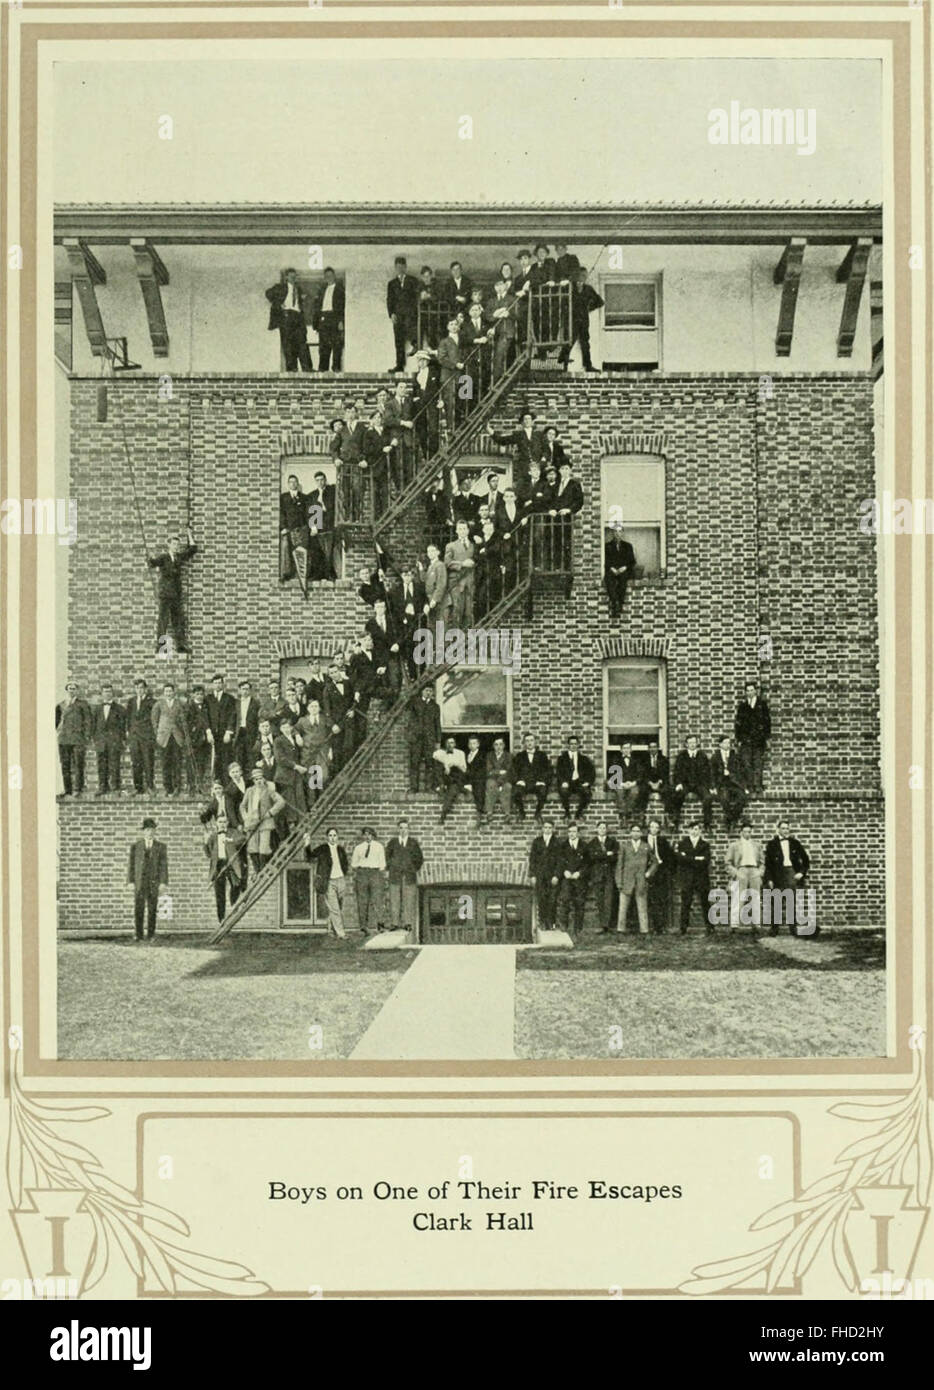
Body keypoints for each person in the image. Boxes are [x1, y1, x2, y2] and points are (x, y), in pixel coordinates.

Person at [148, 528, 197, 655]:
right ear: (169, 544)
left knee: (178, 620)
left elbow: (192, 550)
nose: (176, 546)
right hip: (165, 594)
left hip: (176, 594)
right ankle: (161, 647)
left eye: (177, 544)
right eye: (174, 544)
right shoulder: (164, 558)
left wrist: (189, 535)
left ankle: (181, 645)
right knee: (163, 620)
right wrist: (151, 559)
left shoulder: (179, 557)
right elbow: (153, 563)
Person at [201, 781, 242, 921]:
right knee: (219, 893)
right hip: (218, 865)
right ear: (217, 824)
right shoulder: (213, 837)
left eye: (224, 822)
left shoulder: (232, 833)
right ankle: (221, 918)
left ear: (227, 823)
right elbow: (208, 854)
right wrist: (205, 843)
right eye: (220, 822)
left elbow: (242, 839)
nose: (223, 824)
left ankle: (233, 899)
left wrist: (231, 841)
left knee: (236, 884)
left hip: (230, 864)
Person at [764, 819, 812, 937]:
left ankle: (793, 928)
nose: (785, 831)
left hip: (791, 872)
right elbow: (768, 864)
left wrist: (801, 872)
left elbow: (805, 859)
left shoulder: (795, 843)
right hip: (777, 874)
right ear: (778, 830)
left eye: (787, 828)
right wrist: (769, 879)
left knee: (791, 900)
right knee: (776, 901)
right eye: (783, 828)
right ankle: (774, 928)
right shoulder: (772, 844)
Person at [127, 817, 168, 942]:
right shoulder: (136, 846)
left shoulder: (160, 847)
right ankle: (138, 934)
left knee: (152, 908)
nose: (150, 832)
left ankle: (151, 934)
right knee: (138, 908)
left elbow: (163, 866)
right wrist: (130, 882)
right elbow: (131, 865)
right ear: (143, 831)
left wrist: (163, 882)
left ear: (155, 831)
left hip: (153, 882)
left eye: (152, 829)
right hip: (140, 882)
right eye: (147, 830)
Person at [266, 267, 312, 372]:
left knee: (301, 341)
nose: (293, 278)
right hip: (286, 315)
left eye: (294, 276)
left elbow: (300, 303)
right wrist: (278, 304)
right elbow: (268, 293)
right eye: (291, 276)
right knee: (288, 342)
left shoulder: (298, 289)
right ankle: (292, 368)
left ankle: (307, 367)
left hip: (297, 316)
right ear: (286, 277)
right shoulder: (280, 287)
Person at [308, 827, 349, 939]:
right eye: (330, 835)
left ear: (337, 837)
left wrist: (343, 873)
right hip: (329, 881)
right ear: (327, 837)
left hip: (340, 880)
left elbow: (345, 863)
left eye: (334, 835)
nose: (332, 838)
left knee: (337, 907)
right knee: (335, 908)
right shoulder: (323, 849)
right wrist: (306, 844)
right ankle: (341, 933)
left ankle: (330, 929)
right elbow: (310, 857)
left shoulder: (340, 849)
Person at [331, 404, 368, 524]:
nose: (350, 414)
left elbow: (366, 445)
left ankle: (357, 516)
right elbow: (333, 447)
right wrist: (336, 458)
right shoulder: (342, 429)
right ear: (345, 414)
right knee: (345, 490)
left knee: (357, 489)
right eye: (348, 412)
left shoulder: (362, 427)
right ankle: (347, 516)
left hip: (357, 464)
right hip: (345, 464)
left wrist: (364, 459)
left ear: (356, 413)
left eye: (352, 412)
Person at [725, 821, 765, 931]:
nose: (747, 833)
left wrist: (760, 872)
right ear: (741, 832)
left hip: (754, 871)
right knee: (738, 897)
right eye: (745, 831)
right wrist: (735, 872)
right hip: (741, 870)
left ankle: (756, 924)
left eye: (749, 831)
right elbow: (728, 862)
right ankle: (734, 924)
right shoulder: (734, 845)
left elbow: (762, 862)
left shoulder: (757, 845)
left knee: (755, 898)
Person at [385, 818, 423, 933]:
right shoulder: (393, 843)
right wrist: (392, 866)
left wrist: (412, 868)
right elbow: (386, 857)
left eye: (405, 828)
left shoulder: (413, 843)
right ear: (398, 829)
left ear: (409, 830)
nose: (403, 830)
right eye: (401, 828)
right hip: (395, 875)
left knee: (409, 899)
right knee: (394, 898)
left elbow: (419, 859)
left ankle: (408, 923)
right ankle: (395, 923)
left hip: (409, 876)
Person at [491, 412, 544, 493]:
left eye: (529, 419)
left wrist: (543, 460)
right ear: (522, 422)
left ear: (532, 421)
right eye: (525, 419)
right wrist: (490, 432)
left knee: (540, 488)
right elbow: (502, 441)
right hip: (524, 467)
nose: (527, 421)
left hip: (538, 467)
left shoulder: (539, 435)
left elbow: (547, 449)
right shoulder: (518, 435)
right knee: (524, 488)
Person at [734, 681, 772, 794]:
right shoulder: (743, 706)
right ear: (745, 692)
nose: (749, 692)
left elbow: (767, 722)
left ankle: (757, 785)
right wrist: (739, 739)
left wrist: (766, 738)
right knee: (746, 763)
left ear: (756, 691)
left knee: (758, 762)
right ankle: (749, 785)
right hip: (746, 740)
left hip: (758, 740)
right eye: (747, 690)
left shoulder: (762, 705)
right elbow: (738, 724)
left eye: (751, 690)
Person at [676, 820, 713, 935]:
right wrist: (696, 859)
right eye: (692, 829)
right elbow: (680, 860)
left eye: (697, 829)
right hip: (687, 878)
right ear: (688, 830)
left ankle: (710, 926)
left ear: (700, 831)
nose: (694, 831)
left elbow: (705, 860)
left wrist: (688, 858)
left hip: (701, 877)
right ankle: (683, 927)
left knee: (705, 902)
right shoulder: (682, 843)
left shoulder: (705, 845)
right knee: (686, 902)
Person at [56, 680, 92, 797]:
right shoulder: (61, 705)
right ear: (66, 690)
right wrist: (61, 732)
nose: (72, 690)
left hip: (78, 739)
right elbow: (56, 722)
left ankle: (78, 789)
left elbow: (88, 721)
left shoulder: (83, 704)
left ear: (77, 691)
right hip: (64, 739)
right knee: (65, 765)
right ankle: (68, 789)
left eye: (74, 688)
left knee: (78, 764)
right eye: (70, 688)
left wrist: (86, 735)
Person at [669, 736, 713, 831]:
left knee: (708, 798)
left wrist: (709, 786)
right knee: (677, 796)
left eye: (694, 742)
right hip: (686, 784)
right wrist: (679, 783)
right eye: (690, 743)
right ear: (686, 744)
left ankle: (707, 823)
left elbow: (708, 772)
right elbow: (677, 771)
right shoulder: (682, 756)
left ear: (697, 743)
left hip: (699, 784)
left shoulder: (702, 756)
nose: (692, 744)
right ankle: (675, 821)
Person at [273, 713, 309, 828]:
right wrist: (296, 766)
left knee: (299, 797)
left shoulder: (294, 739)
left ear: (291, 727)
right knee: (290, 801)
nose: (286, 729)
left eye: (288, 727)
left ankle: (302, 822)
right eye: (283, 727)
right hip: (285, 775)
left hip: (296, 775)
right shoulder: (278, 740)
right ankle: (292, 824)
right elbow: (280, 759)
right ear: (280, 729)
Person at [151, 681, 186, 795]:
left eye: (170, 691)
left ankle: (176, 787)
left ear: (174, 692)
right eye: (166, 691)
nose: (169, 693)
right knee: (165, 763)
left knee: (177, 762)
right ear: (164, 693)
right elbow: (154, 720)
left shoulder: (179, 704)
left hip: (176, 736)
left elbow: (183, 720)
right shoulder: (159, 704)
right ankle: (168, 788)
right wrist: (159, 733)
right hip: (163, 738)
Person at [351, 827, 386, 936]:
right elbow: (354, 864)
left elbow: (382, 863)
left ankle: (380, 924)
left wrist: (378, 873)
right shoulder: (358, 848)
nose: (367, 836)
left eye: (370, 834)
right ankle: (363, 926)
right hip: (362, 873)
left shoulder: (379, 847)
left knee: (377, 899)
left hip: (375, 873)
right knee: (362, 900)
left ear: (373, 835)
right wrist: (361, 871)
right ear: (363, 836)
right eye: (365, 834)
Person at [404, 686, 441, 792]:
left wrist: (438, 740)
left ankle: (429, 787)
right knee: (414, 762)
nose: (428, 693)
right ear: (422, 692)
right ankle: (414, 787)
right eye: (426, 691)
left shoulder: (435, 706)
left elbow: (437, 724)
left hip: (429, 739)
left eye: (430, 691)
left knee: (430, 763)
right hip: (416, 739)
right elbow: (407, 707)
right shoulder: (415, 702)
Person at [567, 267, 604, 371]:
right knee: (569, 341)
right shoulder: (570, 289)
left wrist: (589, 308)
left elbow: (600, 302)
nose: (579, 282)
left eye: (582, 279)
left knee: (585, 342)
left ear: (585, 279)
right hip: (572, 319)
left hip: (583, 320)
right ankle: (563, 365)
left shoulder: (588, 289)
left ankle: (588, 365)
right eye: (577, 280)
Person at [711, 735, 750, 832]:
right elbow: (712, 773)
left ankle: (732, 818)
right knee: (724, 799)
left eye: (728, 743)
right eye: (725, 743)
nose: (727, 745)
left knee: (743, 797)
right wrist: (713, 787)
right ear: (720, 744)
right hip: (722, 784)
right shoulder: (715, 757)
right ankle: (730, 820)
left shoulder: (735, 756)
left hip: (734, 784)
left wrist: (743, 786)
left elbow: (740, 772)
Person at [616, 823, 650, 935]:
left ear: (641, 833)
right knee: (623, 907)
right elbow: (619, 865)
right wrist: (619, 882)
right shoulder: (625, 846)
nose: (635, 833)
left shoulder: (646, 846)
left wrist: (649, 873)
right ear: (630, 833)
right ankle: (621, 930)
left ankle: (644, 930)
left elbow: (655, 862)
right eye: (633, 831)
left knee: (642, 907)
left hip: (641, 881)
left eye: (638, 831)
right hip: (627, 880)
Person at [557, 820, 589, 936]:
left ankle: (578, 929)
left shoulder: (584, 846)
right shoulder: (563, 846)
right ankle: (564, 927)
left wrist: (579, 873)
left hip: (579, 879)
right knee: (564, 901)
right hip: (566, 878)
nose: (572, 834)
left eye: (574, 832)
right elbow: (559, 862)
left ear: (578, 833)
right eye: (569, 832)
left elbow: (587, 864)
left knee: (579, 903)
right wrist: (564, 871)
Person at [92, 682, 125, 796]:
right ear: (101, 694)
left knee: (114, 764)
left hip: (114, 741)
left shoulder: (119, 709)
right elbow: (93, 725)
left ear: (112, 694)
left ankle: (115, 787)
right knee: (101, 764)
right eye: (105, 692)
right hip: (101, 742)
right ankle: (102, 787)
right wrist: (96, 740)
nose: (107, 694)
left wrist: (120, 740)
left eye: (109, 691)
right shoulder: (96, 709)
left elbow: (122, 727)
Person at [387, 256, 419, 370]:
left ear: (405, 267)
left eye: (402, 267)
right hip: (398, 315)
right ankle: (399, 365)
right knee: (399, 340)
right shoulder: (392, 283)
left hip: (410, 313)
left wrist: (415, 312)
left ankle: (415, 344)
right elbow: (389, 300)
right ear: (395, 268)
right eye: (398, 267)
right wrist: (391, 314)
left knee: (412, 330)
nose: (400, 269)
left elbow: (416, 297)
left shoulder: (412, 280)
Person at [588, 820, 620, 934]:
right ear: (597, 829)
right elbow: (591, 857)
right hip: (597, 875)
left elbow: (615, 857)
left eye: (604, 828)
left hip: (608, 875)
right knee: (600, 900)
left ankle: (608, 925)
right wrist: (606, 854)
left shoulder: (612, 842)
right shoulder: (592, 843)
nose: (602, 830)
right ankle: (601, 924)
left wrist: (600, 855)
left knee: (609, 899)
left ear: (607, 830)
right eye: (600, 828)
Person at [125, 678, 156, 795]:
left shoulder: (151, 702)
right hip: (134, 737)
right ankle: (138, 787)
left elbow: (153, 719)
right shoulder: (131, 701)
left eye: (141, 688)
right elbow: (128, 718)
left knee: (148, 761)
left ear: (145, 689)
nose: (139, 690)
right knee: (136, 762)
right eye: (137, 688)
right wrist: (129, 732)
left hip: (147, 737)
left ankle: (150, 786)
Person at [512, 734, 551, 823]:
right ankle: (521, 812)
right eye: (527, 741)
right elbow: (514, 771)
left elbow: (548, 770)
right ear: (524, 743)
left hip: (537, 783)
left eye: (531, 740)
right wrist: (519, 780)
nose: (529, 743)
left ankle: (538, 812)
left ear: (535, 742)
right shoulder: (519, 756)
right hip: (524, 783)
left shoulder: (542, 755)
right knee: (516, 792)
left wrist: (542, 781)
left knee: (543, 791)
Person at [204, 674, 237, 783]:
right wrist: (208, 731)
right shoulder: (208, 699)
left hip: (224, 735)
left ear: (223, 684)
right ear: (212, 685)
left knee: (225, 758)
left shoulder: (229, 698)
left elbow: (233, 715)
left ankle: (226, 782)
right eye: (215, 683)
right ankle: (216, 782)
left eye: (219, 683)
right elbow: (205, 716)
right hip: (212, 735)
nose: (218, 685)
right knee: (214, 759)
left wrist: (229, 731)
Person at [311, 267, 344, 372]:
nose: (328, 278)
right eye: (326, 276)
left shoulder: (340, 290)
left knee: (336, 344)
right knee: (324, 345)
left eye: (330, 275)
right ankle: (323, 369)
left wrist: (341, 321)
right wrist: (316, 324)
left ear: (334, 276)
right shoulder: (322, 290)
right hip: (323, 319)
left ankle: (336, 368)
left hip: (334, 317)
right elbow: (317, 307)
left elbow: (342, 307)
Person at [444, 520, 476, 628]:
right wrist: (462, 564)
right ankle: (455, 639)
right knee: (457, 611)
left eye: (464, 529)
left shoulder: (473, 545)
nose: (462, 531)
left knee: (469, 612)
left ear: (468, 530)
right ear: (456, 531)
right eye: (460, 529)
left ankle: (466, 640)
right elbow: (447, 563)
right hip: (457, 583)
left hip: (470, 582)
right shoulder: (451, 546)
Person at [645, 817, 674, 934]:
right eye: (652, 827)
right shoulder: (643, 840)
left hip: (660, 873)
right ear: (648, 828)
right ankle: (647, 926)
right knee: (648, 899)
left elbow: (670, 857)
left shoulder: (663, 842)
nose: (654, 829)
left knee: (660, 899)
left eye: (656, 827)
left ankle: (660, 926)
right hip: (646, 872)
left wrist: (666, 869)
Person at [279, 474, 311, 583]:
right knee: (286, 549)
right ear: (288, 484)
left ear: (298, 484)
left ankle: (300, 575)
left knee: (300, 552)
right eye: (291, 482)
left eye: (295, 482)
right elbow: (281, 513)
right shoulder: (283, 497)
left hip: (301, 529)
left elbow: (308, 514)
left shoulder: (304, 498)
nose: (293, 484)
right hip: (288, 529)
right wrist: (283, 527)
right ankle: (286, 574)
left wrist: (307, 527)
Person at [485, 278, 518, 380]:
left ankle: (497, 380)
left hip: (506, 332)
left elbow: (518, 314)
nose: (499, 287)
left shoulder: (512, 299)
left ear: (505, 286)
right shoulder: (491, 301)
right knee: (492, 357)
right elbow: (487, 316)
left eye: (501, 285)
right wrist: (496, 315)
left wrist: (509, 314)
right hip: (494, 333)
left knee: (500, 356)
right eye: (496, 285)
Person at [555, 736, 595, 820]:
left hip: (579, 782)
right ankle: (567, 813)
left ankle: (579, 813)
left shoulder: (584, 759)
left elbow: (591, 772)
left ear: (578, 745)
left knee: (587, 793)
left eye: (575, 744)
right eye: (571, 744)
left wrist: (587, 782)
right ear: (568, 745)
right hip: (567, 783)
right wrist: (563, 782)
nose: (573, 746)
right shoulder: (562, 758)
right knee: (563, 792)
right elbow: (558, 772)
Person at [437, 316, 465, 434]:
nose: (454, 326)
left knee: (463, 399)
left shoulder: (462, 339)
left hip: (462, 376)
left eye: (456, 324)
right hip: (449, 375)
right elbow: (441, 358)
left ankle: (459, 427)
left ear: (459, 327)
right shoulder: (444, 342)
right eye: (451, 324)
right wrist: (455, 365)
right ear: (448, 327)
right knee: (449, 401)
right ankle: (450, 428)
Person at [308, 471, 337, 579]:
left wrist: (322, 504)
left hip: (329, 526)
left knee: (329, 552)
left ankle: (328, 574)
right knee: (318, 553)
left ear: (325, 480)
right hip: (318, 529)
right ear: (315, 481)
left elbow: (332, 509)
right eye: (318, 480)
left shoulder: (332, 492)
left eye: (322, 480)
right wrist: (313, 526)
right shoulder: (312, 495)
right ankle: (318, 575)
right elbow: (310, 512)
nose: (320, 482)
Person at [604, 523, 637, 619]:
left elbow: (632, 561)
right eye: (615, 531)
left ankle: (620, 604)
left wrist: (625, 567)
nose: (617, 534)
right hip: (612, 570)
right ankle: (614, 602)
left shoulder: (628, 546)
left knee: (623, 581)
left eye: (619, 531)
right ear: (613, 533)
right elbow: (606, 560)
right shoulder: (607, 546)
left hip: (624, 570)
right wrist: (612, 568)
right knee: (608, 579)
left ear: (622, 533)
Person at [185, 685, 212, 793]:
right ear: (193, 695)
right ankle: (191, 787)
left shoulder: (206, 706)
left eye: (201, 694)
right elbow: (185, 722)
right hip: (193, 740)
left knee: (202, 764)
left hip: (204, 740)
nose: (199, 696)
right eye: (197, 694)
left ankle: (200, 786)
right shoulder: (189, 707)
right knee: (191, 764)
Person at [434, 735, 467, 823]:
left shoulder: (460, 753)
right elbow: (435, 755)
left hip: (457, 778)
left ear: (455, 744)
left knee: (452, 791)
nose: (450, 745)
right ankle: (442, 784)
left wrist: (455, 764)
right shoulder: (441, 753)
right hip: (447, 778)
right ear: (445, 745)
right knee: (438, 768)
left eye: (452, 743)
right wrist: (445, 765)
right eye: (448, 743)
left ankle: (443, 814)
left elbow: (464, 770)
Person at [231, 679, 260, 772]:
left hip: (250, 733)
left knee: (251, 758)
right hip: (239, 733)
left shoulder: (255, 703)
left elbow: (258, 720)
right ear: (239, 690)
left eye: (247, 689)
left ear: (250, 691)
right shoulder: (236, 703)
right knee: (239, 757)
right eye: (243, 689)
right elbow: (233, 718)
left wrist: (258, 736)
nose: (245, 691)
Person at [608, 741, 641, 820]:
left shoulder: (636, 761)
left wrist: (633, 783)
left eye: (628, 748)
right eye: (624, 748)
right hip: (620, 783)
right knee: (619, 791)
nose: (626, 750)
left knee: (634, 792)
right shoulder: (615, 760)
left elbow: (640, 774)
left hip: (632, 783)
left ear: (631, 750)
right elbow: (612, 774)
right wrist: (621, 783)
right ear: (621, 750)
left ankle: (629, 811)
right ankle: (622, 813)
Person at [484, 736, 513, 824]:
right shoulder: (489, 755)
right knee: (490, 784)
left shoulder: (508, 756)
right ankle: (489, 812)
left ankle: (507, 813)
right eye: (496, 745)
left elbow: (509, 770)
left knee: (508, 786)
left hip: (505, 780)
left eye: (500, 744)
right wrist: (500, 771)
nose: (498, 747)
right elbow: (489, 771)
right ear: (493, 746)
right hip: (492, 779)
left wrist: (500, 781)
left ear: (504, 745)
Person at [638, 740, 670, 815]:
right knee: (642, 791)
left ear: (658, 748)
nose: (653, 749)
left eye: (655, 747)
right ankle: (642, 815)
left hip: (660, 782)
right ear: (648, 749)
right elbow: (643, 774)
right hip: (648, 783)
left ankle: (668, 815)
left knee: (668, 791)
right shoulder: (643, 760)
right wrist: (650, 783)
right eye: (651, 747)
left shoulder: (664, 759)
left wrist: (659, 782)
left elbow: (665, 773)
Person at [463, 734, 487, 824]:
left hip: (478, 778)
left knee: (479, 788)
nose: (472, 745)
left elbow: (482, 770)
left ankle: (479, 813)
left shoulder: (482, 755)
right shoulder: (466, 754)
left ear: (478, 745)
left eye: (474, 743)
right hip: (468, 778)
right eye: (470, 743)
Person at [423, 542, 448, 624]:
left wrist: (435, 599)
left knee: (440, 626)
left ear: (438, 552)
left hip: (440, 602)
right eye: (428, 551)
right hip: (431, 602)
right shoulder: (430, 566)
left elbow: (441, 584)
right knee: (433, 626)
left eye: (432, 551)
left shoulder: (440, 565)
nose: (430, 553)